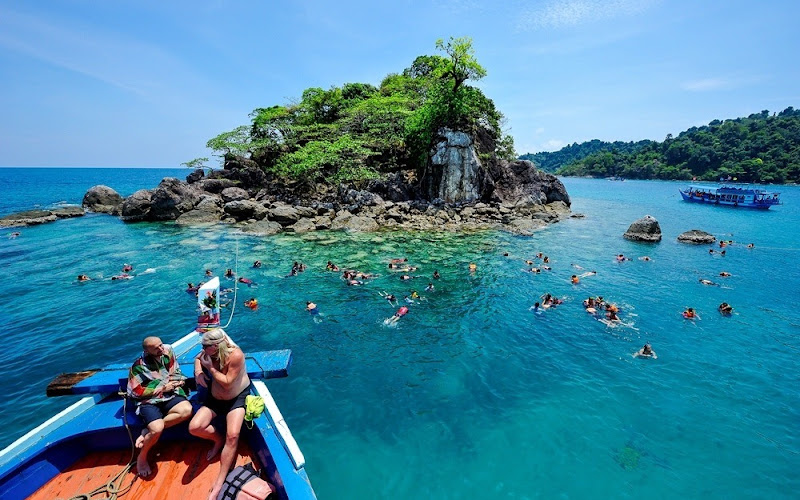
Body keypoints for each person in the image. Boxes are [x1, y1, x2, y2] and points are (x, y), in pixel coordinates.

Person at [189, 329, 253, 500]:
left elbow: (227, 383)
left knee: (233, 435)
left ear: (216, 346)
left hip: (236, 398)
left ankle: (219, 482)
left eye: (205, 346)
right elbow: (197, 357)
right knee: (194, 427)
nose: (202, 348)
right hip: (215, 399)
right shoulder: (209, 352)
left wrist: (209, 367)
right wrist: (198, 371)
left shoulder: (235, 355)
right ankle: (217, 440)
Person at [127, 337, 192, 478]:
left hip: (169, 393)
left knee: (186, 410)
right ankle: (142, 457)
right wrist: (162, 387)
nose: (161, 349)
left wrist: (178, 381)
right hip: (149, 400)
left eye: (161, 345)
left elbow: (175, 371)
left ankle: (146, 431)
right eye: (156, 348)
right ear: (147, 351)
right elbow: (134, 391)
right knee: (156, 429)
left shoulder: (168, 351)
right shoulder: (138, 366)